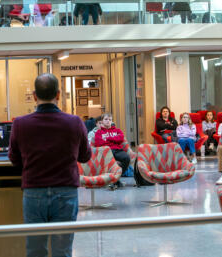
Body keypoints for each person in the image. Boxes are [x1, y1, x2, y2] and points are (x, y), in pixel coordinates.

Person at [8, 73, 91, 257]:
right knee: (63, 250)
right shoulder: (75, 122)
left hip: (33, 192)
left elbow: (14, 159)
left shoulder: (20, 123)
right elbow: (85, 156)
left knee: (35, 250)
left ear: (34, 95)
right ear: (59, 95)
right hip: (66, 192)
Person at [94, 113, 130, 187]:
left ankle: (115, 178)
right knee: (111, 163)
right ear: (102, 121)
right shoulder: (99, 132)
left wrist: (108, 138)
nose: (108, 121)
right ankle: (114, 180)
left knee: (126, 158)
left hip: (117, 150)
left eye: (110, 119)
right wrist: (114, 140)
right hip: (106, 152)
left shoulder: (117, 130)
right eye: (106, 119)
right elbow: (99, 143)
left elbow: (121, 138)